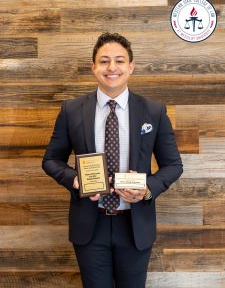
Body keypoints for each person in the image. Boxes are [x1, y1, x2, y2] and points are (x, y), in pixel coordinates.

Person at [42, 32, 183, 288]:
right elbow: (51, 160)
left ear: (131, 66)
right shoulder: (72, 110)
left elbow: (173, 165)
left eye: (119, 60)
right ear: (93, 67)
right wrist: (75, 181)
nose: (112, 68)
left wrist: (147, 190)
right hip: (89, 224)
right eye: (104, 61)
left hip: (134, 226)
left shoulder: (153, 110)